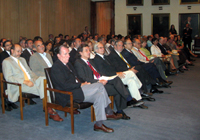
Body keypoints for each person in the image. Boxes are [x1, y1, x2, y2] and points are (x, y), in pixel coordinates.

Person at [51, 45, 122, 133]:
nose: (68, 56)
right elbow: (64, 85)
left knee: (99, 95)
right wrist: (81, 85)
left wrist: (84, 83)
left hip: (77, 89)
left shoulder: (68, 63)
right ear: (58, 55)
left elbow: (76, 77)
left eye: (68, 53)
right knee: (99, 85)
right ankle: (109, 111)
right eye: (65, 54)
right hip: (68, 93)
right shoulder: (56, 67)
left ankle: (99, 124)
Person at [2, 44, 48, 111]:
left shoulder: (22, 59)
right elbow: (9, 78)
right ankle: (49, 107)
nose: (20, 53)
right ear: (12, 51)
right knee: (44, 88)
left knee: (44, 79)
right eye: (18, 51)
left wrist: (37, 78)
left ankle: (48, 104)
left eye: (20, 51)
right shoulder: (7, 61)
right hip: (19, 84)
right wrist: (24, 81)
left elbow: (30, 72)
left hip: (31, 80)